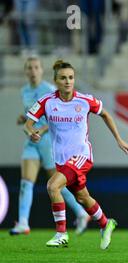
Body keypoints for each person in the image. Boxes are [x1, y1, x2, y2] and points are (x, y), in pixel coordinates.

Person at [24, 59, 128, 248]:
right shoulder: (46, 102)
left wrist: (119, 139)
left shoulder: (85, 100)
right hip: (62, 160)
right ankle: (106, 224)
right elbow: (28, 124)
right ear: (56, 81)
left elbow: (106, 114)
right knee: (82, 198)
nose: (68, 81)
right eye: (63, 78)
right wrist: (32, 133)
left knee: (52, 186)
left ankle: (61, 234)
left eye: (71, 77)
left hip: (82, 156)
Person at [10, 56, 90, 236]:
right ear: (26, 71)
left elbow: (57, 119)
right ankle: (23, 222)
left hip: (49, 142)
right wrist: (24, 118)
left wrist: (43, 130)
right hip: (32, 140)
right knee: (26, 182)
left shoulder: (49, 90)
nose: (32, 71)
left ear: (41, 70)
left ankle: (80, 212)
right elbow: (33, 114)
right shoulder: (24, 91)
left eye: (36, 67)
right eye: (29, 68)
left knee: (58, 183)